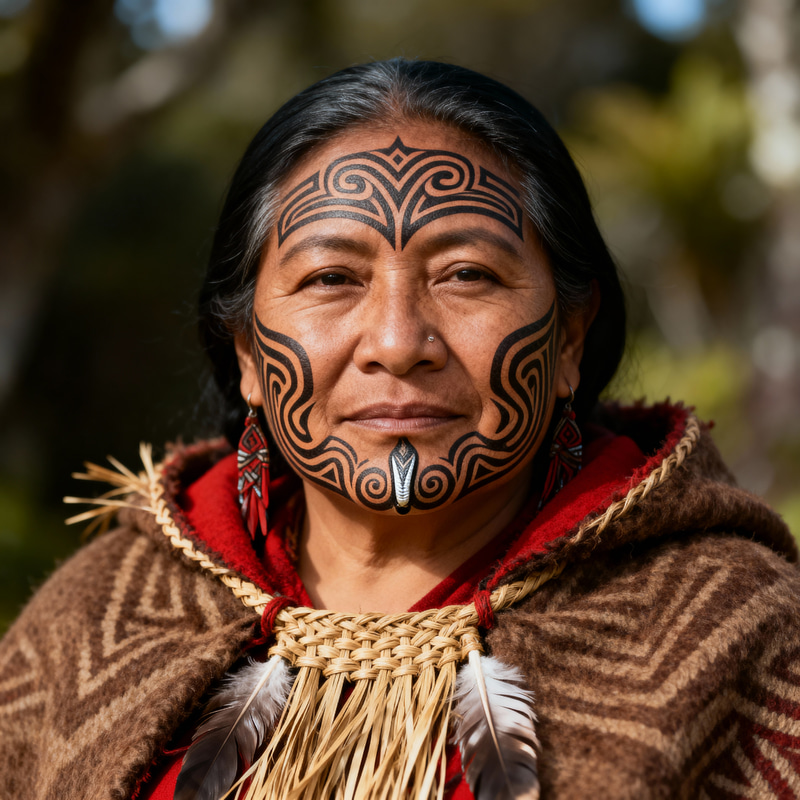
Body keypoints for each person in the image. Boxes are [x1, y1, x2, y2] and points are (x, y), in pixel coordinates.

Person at [1, 58, 798, 800]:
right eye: (330, 278)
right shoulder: (90, 622)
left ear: (569, 338)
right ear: (245, 350)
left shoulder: (738, 636)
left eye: (467, 275)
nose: (396, 342)